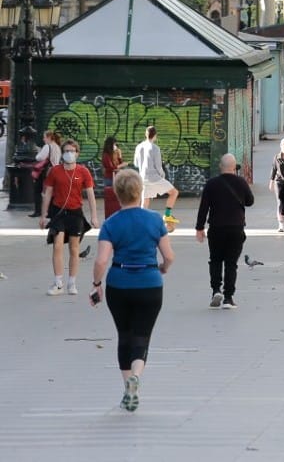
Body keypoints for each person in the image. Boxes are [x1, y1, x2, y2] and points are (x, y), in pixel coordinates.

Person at [91, 168, 174, 412]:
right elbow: (169, 256)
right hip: (150, 283)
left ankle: (127, 384)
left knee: (124, 335)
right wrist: (163, 268)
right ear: (140, 192)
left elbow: (100, 261)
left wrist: (97, 285)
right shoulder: (155, 220)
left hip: (119, 285)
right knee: (142, 335)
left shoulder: (111, 223)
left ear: (117, 194)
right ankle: (137, 375)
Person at [41, 138, 99, 296]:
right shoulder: (55, 171)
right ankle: (58, 282)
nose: (69, 154)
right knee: (57, 246)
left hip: (75, 214)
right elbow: (48, 193)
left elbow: (91, 195)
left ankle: (71, 283)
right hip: (58, 212)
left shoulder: (83, 172)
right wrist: (44, 214)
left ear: (77, 154)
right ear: (62, 153)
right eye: (66, 151)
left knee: (74, 249)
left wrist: (94, 216)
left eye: (72, 151)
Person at [195, 154, 254, 309]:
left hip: (216, 228)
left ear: (220, 166)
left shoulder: (211, 184)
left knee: (215, 260)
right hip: (236, 228)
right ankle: (228, 298)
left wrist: (199, 228)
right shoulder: (241, 182)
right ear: (234, 167)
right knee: (231, 263)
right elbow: (250, 201)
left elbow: (204, 208)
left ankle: (215, 290)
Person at [133, 126, 180, 231]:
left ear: (145, 134)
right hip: (154, 177)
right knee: (174, 193)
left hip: (142, 177)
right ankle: (167, 215)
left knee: (145, 201)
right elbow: (158, 166)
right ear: (155, 136)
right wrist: (162, 176)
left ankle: (140, 223)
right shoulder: (155, 148)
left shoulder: (139, 147)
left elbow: (136, 163)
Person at [31, 130, 61, 217]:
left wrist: (38, 154)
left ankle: (38, 211)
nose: (43, 139)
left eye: (44, 137)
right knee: (51, 191)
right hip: (55, 170)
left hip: (46, 171)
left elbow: (39, 158)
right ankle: (50, 212)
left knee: (37, 190)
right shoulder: (57, 146)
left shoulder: (47, 146)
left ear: (49, 137)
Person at [101, 136, 126, 219]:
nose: (115, 145)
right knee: (110, 198)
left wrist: (120, 156)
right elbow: (110, 167)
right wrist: (120, 166)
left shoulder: (115, 153)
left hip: (116, 177)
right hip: (109, 178)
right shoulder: (106, 155)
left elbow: (119, 163)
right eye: (114, 144)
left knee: (117, 197)